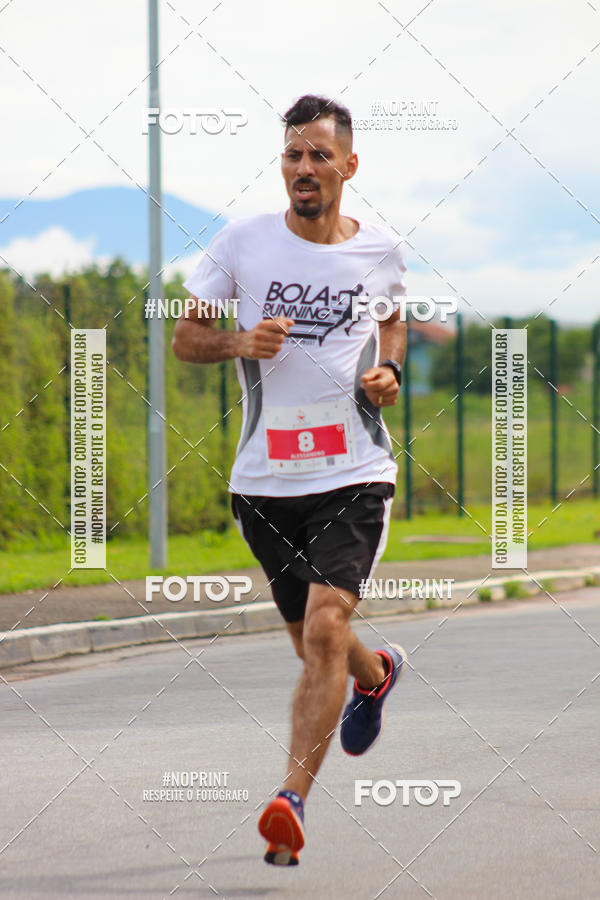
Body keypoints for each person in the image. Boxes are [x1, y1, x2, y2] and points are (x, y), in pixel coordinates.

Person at [172, 94, 407, 867]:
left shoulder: (379, 250)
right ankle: (375, 676)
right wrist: (240, 340)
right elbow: (186, 337)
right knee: (315, 646)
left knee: (325, 627)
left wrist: (389, 371)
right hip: (265, 482)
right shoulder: (241, 242)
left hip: (354, 472)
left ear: (349, 165)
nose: (304, 168)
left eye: (318, 155)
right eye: (292, 155)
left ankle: (290, 801)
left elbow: (393, 320)